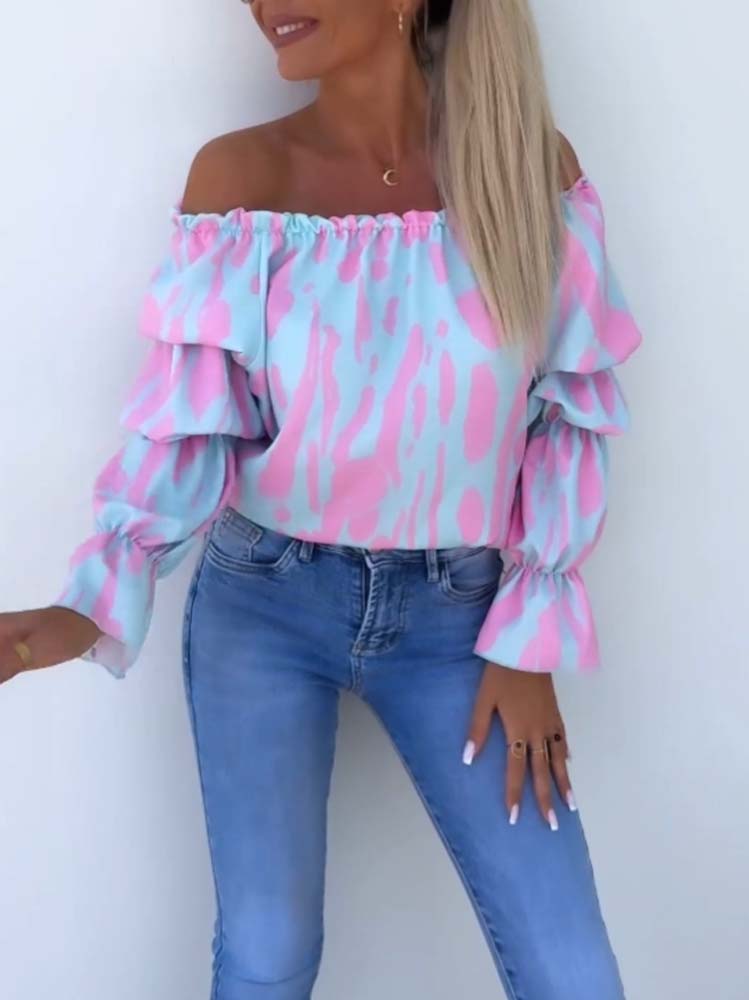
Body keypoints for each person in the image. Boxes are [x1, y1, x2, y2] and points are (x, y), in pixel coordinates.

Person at [0, 2, 643, 998]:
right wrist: (83, 607)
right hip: (264, 604)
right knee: (267, 951)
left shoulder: (527, 171)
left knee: (573, 970)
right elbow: (192, 428)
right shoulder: (242, 182)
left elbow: (565, 415)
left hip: (462, 619)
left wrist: (528, 640)